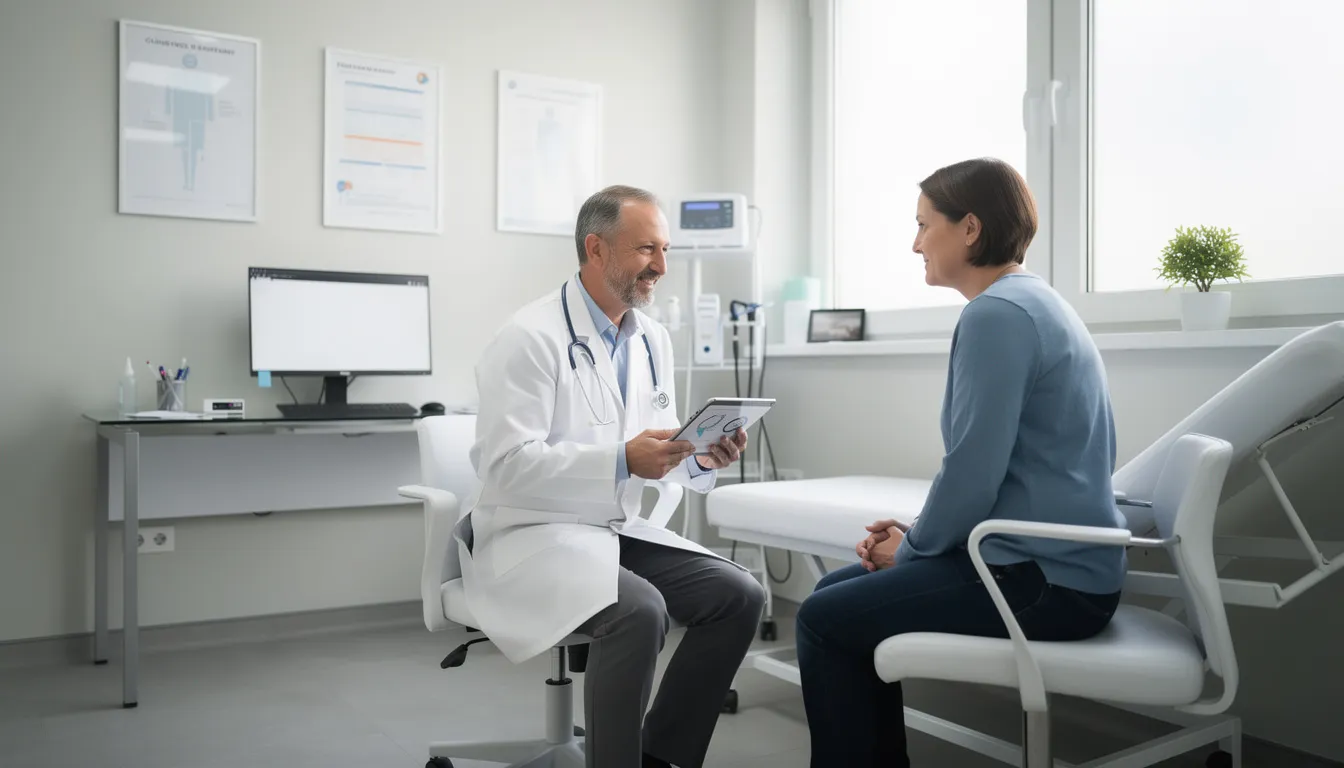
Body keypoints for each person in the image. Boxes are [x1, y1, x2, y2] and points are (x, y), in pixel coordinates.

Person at [795, 158, 1129, 767]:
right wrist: (918, 537)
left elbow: (973, 471)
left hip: (1046, 579)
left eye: (925, 225)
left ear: (969, 229)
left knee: (823, 617)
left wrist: (915, 548)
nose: (915, 242)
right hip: (1042, 559)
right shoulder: (1033, 303)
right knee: (833, 593)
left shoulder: (998, 316)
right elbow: (995, 471)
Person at [462, 184, 765, 768]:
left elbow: (658, 445)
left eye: (666, 249)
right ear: (595, 249)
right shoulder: (528, 338)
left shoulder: (651, 338)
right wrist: (622, 459)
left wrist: (700, 456)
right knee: (638, 610)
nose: (662, 266)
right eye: (647, 249)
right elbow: (504, 466)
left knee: (739, 595)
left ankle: (659, 757)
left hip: (614, 530)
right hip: (533, 533)